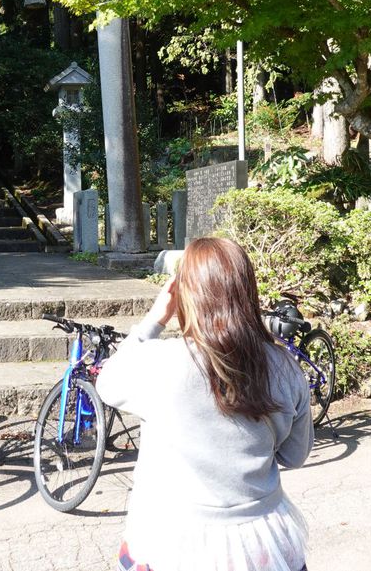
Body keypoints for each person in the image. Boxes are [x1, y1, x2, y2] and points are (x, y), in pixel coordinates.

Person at [96, 236, 313, 571]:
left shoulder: (161, 364)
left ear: (185, 295)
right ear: (247, 292)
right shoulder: (285, 367)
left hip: (172, 540)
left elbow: (107, 383)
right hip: (262, 541)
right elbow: (295, 456)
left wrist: (154, 319)